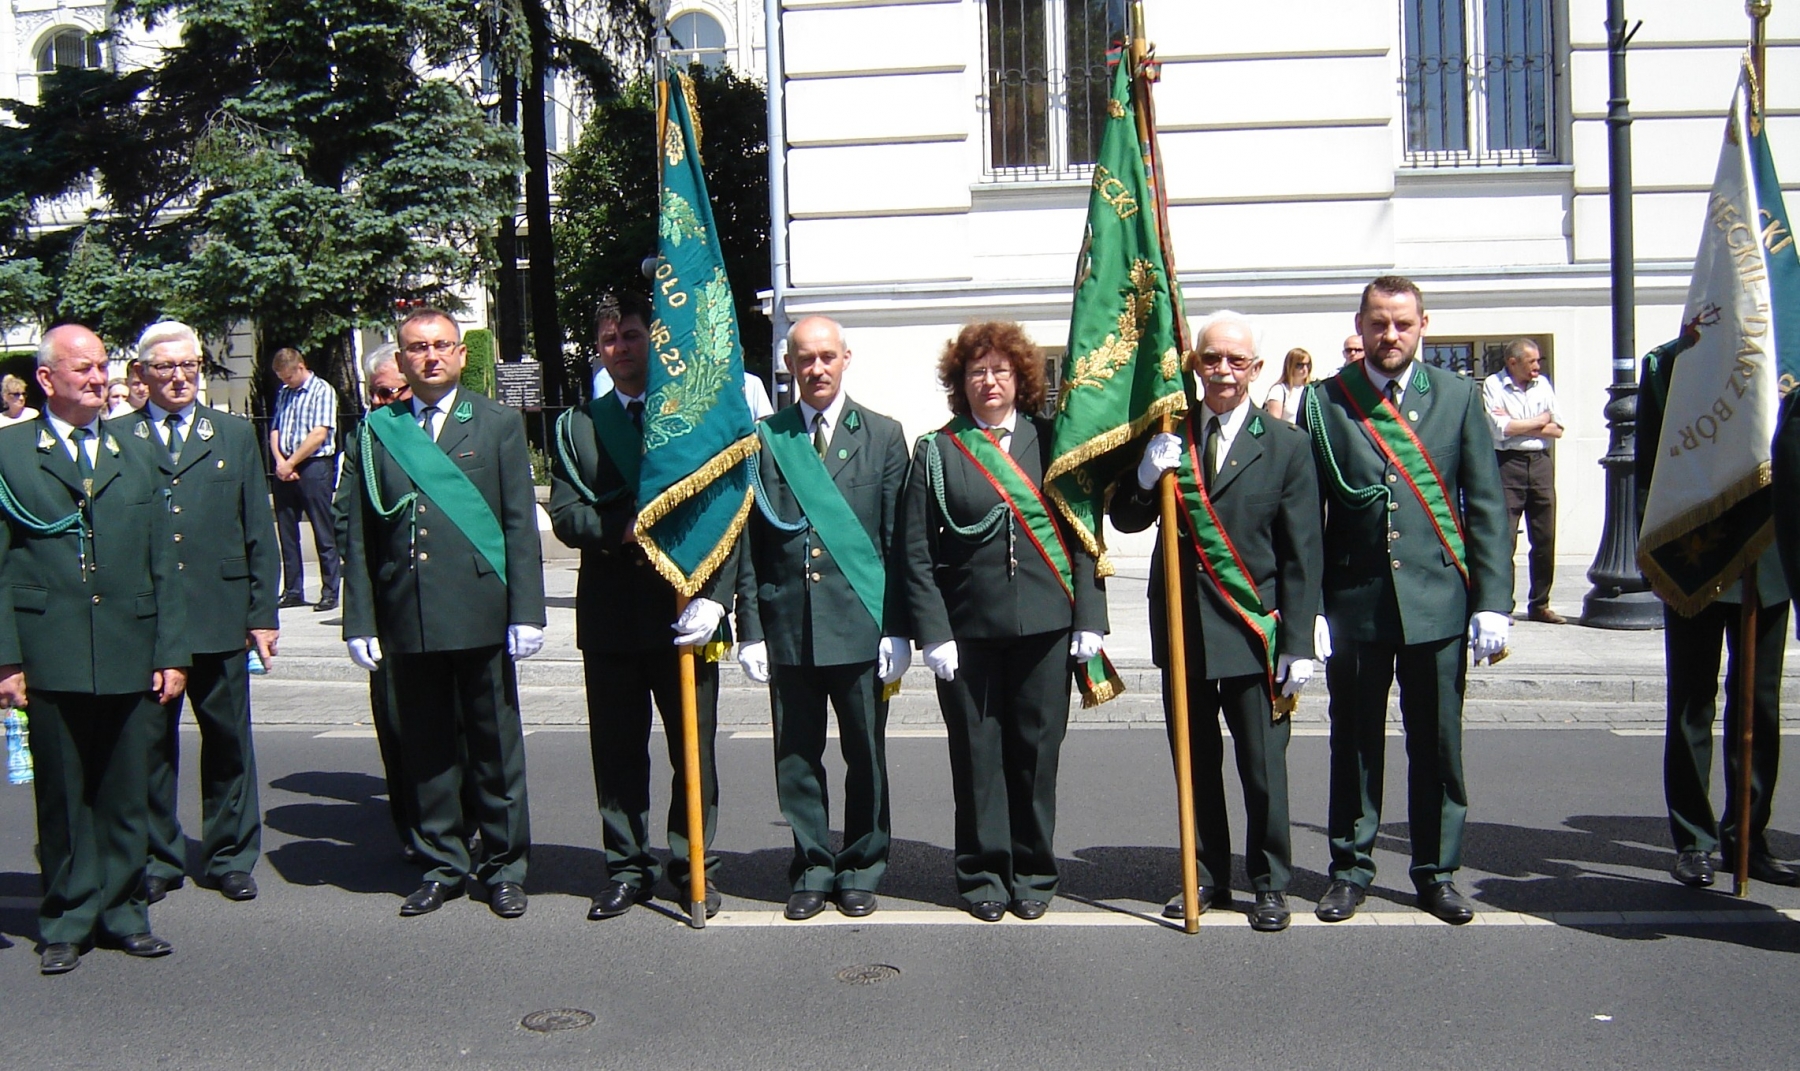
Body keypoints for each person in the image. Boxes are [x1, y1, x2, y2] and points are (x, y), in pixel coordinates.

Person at [1297, 275, 1513, 925]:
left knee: (1439, 745)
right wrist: (1311, 607)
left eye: (1402, 323)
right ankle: (1349, 869)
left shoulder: (1458, 396)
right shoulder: (1325, 402)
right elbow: (1307, 518)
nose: (1390, 335)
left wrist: (1492, 600)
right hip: (1356, 604)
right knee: (1354, 744)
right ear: (1359, 327)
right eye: (1378, 323)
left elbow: (1486, 505)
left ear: (1423, 326)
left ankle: (1436, 872)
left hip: (1438, 602)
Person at [1111, 312, 1323, 932]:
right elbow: (1125, 518)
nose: (1223, 370)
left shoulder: (1286, 445)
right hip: (1184, 629)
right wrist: (1146, 476)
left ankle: (1269, 882)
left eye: (1236, 360)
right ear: (1194, 364)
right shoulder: (1167, 433)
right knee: (1194, 761)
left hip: (1253, 632)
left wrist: (1300, 640)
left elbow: (1301, 552)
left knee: (1263, 765)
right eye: (1211, 358)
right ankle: (1203, 874)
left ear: (1256, 369)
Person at [338, 307, 546, 918]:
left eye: (440, 345)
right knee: (425, 748)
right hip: (410, 612)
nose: (430, 356)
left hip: (481, 609)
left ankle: (504, 866)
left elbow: (518, 524)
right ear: (401, 360)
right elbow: (359, 536)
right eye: (416, 347)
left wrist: (527, 611)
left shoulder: (496, 423)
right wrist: (360, 619)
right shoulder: (376, 432)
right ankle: (442, 864)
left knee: (493, 746)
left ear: (460, 354)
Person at [898, 321, 1107, 922]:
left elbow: (1083, 531)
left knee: (1036, 758)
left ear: (1021, 378)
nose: (989, 382)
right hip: (968, 633)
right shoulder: (938, 450)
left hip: (1046, 627)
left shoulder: (1055, 440)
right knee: (977, 758)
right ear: (960, 382)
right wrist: (932, 631)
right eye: (977, 371)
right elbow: (915, 550)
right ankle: (983, 874)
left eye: (1000, 370)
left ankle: (1034, 872)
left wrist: (1089, 616)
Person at [0, 324, 188, 973]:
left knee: (126, 790)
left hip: (129, 646)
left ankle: (126, 912)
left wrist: (172, 652)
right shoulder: (12, 452)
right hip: (49, 649)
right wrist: (6, 658)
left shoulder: (134, 450)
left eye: (103, 366)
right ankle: (67, 918)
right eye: (83, 368)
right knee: (63, 794)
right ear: (46, 379)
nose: (98, 377)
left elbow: (163, 561)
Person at [549, 292, 734, 921]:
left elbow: (725, 507)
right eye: (610, 339)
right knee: (618, 753)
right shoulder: (579, 426)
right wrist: (627, 530)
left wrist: (717, 598)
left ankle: (692, 865)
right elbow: (567, 515)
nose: (622, 347)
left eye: (632, 334)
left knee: (694, 752)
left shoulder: (688, 416)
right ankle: (627, 868)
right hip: (610, 615)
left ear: (655, 340)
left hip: (681, 606)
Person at [735, 316, 910, 920]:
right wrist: (750, 630)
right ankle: (811, 865)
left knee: (866, 757)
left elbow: (897, 541)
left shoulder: (883, 435)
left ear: (845, 359)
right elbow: (749, 543)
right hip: (789, 627)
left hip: (859, 625)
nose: (816, 368)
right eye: (805, 358)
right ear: (788, 365)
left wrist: (898, 627)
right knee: (796, 758)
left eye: (827, 357)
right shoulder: (765, 438)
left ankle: (861, 866)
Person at [122, 321, 279, 906]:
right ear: (142, 374)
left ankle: (229, 855)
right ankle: (157, 856)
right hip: (148, 622)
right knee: (150, 746)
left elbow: (257, 527)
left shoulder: (232, 434)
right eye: (165, 367)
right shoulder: (119, 437)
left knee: (229, 741)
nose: (179, 377)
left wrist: (263, 613)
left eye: (188, 365)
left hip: (220, 612)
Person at [1647, 327, 1798, 888]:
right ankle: (1694, 840)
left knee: (1759, 704)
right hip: (1694, 549)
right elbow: (1653, 456)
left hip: (1768, 552)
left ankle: (1748, 836)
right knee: (1691, 701)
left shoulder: (1788, 358)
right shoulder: (1674, 362)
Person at [1482, 338, 1565, 624]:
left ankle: (1540, 604)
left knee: (1545, 538)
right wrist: (1539, 421)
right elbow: (1499, 430)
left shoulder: (1543, 385)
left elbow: (1557, 428)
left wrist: (1517, 425)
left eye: (1539, 361)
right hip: (1508, 465)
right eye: (1532, 362)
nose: (1537, 367)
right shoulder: (1493, 385)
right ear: (1513, 362)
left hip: (1540, 464)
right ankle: (1502, 604)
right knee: (1504, 539)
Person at [269, 346, 341, 612]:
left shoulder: (322, 390)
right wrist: (280, 461)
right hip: (285, 466)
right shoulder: (284, 393)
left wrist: (292, 462)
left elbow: (319, 434)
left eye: (288, 376)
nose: (286, 382)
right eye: (282, 378)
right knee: (287, 531)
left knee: (322, 529)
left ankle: (330, 590)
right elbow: (275, 429)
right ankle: (293, 590)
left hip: (314, 465)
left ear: (300, 367)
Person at [1262, 347, 1313, 422]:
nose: (1305, 369)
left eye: (1308, 365)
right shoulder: (1279, 390)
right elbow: (1274, 423)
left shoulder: (1311, 390)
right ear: (1290, 366)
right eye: (1300, 365)